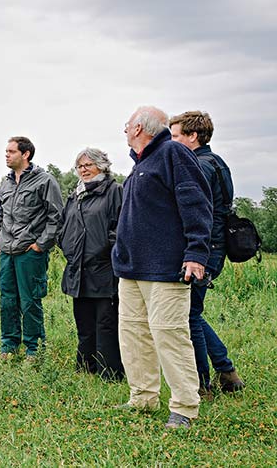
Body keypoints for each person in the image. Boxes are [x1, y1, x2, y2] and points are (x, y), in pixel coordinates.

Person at [112, 106, 212, 429]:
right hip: (131, 269)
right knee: (133, 335)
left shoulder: (173, 154)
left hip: (166, 268)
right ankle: (142, 396)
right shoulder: (139, 164)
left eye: (127, 124)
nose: (125, 128)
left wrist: (196, 252)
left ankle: (184, 406)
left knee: (170, 335)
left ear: (139, 127)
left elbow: (196, 202)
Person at [169, 111, 245, 396]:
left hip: (203, 249)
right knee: (193, 313)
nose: (171, 142)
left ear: (192, 136)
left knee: (189, 316)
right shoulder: (217, 162)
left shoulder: (199, 166)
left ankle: (201, 385)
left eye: (176, 136)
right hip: (214, 247)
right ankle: (227, 372)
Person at [0, 137, 63, 361]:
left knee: (30, 300)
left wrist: (40, 245)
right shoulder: (6, 183)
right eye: (6, 151)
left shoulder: (45, 181)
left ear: (26, 154)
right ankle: (9, 345)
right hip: (7, 252)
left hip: (29, 253)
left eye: (11, 151)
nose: (7, 155)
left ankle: (34, 348)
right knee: (8, 299)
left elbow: (56, 217)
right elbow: (0, 214)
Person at [58, 148, 124, 381]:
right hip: (78, 269)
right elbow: (64, 226)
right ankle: (86, 368)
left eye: (88, 165)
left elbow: (120, 228)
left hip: (103, 268)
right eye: (80, 166)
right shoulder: (75, 195)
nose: (83, 170)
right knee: (84, 322)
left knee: (105, 323)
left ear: (102, 166)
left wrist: (104, 250)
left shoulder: (114, 191)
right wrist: (67, 248)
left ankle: (111, 372)